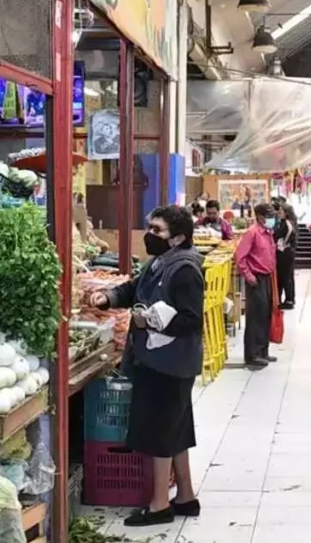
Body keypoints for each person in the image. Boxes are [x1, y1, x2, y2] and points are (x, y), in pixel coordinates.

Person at [88, 205, 204, 526]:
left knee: (160, 432)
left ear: (178, 238)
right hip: (161, 359)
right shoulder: (162, 263)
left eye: (157, 230)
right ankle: (185, 496)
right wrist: (108, 298)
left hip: (170, 362)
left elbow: (191, 321)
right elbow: (134, 288)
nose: (149, 235)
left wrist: (149, 320)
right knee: (177, 428)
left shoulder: (184, 270)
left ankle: (158, 506)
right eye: (149, 227)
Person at [235, 203, 278, 368]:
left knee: (265, 315)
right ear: (259, 216)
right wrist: (249, 276)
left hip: (267, 277)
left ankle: (263, 351)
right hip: (256, 278)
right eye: (269, 215)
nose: (272, 218)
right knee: (255, 317)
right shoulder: (252, 233)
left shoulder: (268, 233)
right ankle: (252, 355)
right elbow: (240, 257)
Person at [274, 203, 298, 309]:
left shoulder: (286, 224)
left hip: (285, 252)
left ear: (286, 213)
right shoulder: (288, 223)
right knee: (288, 276)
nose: (278, 214)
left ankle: (288, 300)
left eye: (280, 212)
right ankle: (289, 299)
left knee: (285, 277)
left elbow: (277, 236)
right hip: (287, 252)